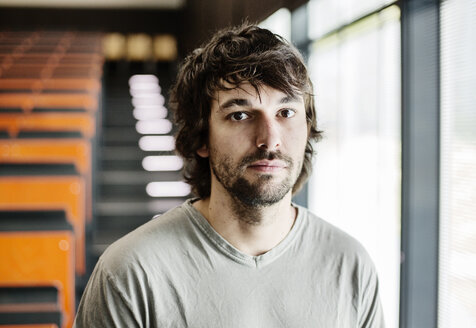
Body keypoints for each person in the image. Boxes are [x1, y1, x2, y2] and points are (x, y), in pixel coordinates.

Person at [73, 24, 384, 327]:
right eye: (240, 115)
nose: (270, 139)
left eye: (286, 113)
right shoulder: (130, 273)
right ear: (202, 138)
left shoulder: (350, 264)